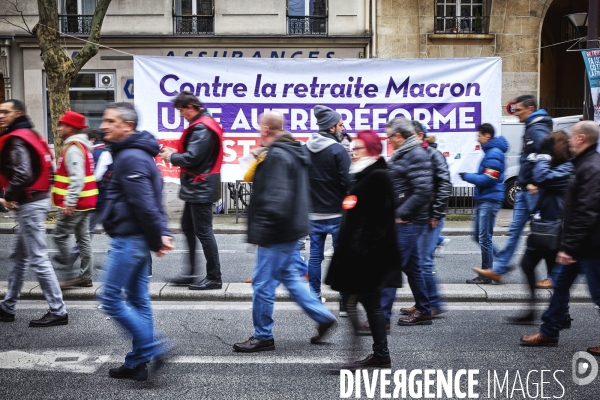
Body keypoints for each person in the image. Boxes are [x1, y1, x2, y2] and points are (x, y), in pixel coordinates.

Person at [233, 111, 336, 353]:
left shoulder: (277, 156)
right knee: (290, 278)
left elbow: (275, 199)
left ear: (266, 130)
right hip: (290, 229)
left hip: (276, 233)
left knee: (262, 285)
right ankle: (322, 316)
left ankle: (262, 335)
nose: (259, 132)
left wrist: (263, 236)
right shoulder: (292, 151)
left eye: (260, 128)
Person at [99, 102, 174, 381]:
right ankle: (137, 362)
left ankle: (154, 345)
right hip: (136, 237)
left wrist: (158, 238)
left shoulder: (130, 157)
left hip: (130, 239)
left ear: (127, 126)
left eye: (110, 121)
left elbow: (144, 204)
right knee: (138, 300)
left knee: (109, 299)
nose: (104, 125)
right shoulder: (134, 154)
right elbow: (155, 199)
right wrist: (160, 234)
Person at [520, 121, 600, 352]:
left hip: (589, 246)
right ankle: (548, 332)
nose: (570, 140)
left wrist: (570, 246)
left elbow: (587, 212)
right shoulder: (582, 164)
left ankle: (549, 331)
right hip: (576, 243)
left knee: (597, 294)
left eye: (574, 136)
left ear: (582, 138)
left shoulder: (591, 167)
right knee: (561, 286)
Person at [325, 130, 401, 369]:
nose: (352, 152)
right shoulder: (364, 175)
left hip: (367, 259)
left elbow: (377, 224)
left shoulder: (377, 177)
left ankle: (372, 355)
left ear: (370, 150)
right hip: (361, 256)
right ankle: (379, 354)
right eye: (352, 148)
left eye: (357, 149)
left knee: (357, 302)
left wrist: (359, 251)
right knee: (365, 303)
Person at [0, 99, 68, 327]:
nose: (1, 115)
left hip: (28, 203)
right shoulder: (32, 134)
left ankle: (58, 310)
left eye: (5, 112)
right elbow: (48, 171)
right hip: (34, 200)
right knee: (19, 258)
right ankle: (8, 307)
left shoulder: (17, 138)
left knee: (38, 258)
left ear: (17, 113)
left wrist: (7, 197)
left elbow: (22, 174)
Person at [506, 131, 572, 324]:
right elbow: (530, 176)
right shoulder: (554, 166)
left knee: (558, 276)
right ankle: (534, 312)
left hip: (555, 230)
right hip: (542, 227)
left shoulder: (567, 168)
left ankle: (562, 314)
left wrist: (542, 155)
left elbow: (541, 177)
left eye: (549, 147)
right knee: (527, 265)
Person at [159, 91, 223, 290]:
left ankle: (214, 277)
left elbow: (192, 157)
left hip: (200, 187)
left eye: (181, 110)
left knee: (204, 232)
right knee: (188, 227)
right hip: (197, 187)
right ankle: (191, 273)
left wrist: (172, 157)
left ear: (191, 107)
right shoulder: (203, 123)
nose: (181, 115)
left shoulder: (202, 127)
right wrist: (176, 154)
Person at [380, 118, 433, 327]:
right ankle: (424, 309)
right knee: (413, 268)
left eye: (389, 137)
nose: (388, 141)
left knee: (390, 267)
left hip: (408, 221)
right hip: (407, 219)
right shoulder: (406, 153)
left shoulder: (415, 155)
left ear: (398, 136)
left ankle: (381, 318)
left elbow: (422, 191)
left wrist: (400, 213)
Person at [493, 95, 552, 274]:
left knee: (544, 231)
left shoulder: (537, 128)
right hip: (525, 190)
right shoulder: (531, 127)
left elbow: (547, 152)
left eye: (519, 110)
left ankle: (555, 275)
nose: (515, 113)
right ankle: (500, 268)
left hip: (534, 191)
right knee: (515, 230)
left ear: (531, 109)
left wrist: (536, 181)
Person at [400, 121, 451, 317]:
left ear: (420, 135)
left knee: (424, 262)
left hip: (430, 216)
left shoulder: (433, 154)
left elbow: (445, 184)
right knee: (415, 262)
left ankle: (433, 304)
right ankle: (423, 302)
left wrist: (436, 213)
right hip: (418, 216)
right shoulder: (414, 154)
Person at [306, 105, 351, 311]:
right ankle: (343, 302)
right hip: (337, 214)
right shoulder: (338, 151)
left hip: (313, 213)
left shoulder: (305, 148)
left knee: (315, 257)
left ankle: (315, 298)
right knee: (342, 258)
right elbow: (347, 183)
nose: (343, 128)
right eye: (341, 125)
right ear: (332, 128)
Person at [51, 111, 98, 289]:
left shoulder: (73, 148)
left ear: (70, 128)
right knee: (83, 238)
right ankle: (85, 276)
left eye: (62, 125)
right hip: (84, 202)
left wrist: (69, 202)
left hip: (75, 204)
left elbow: (77, 177)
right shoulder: (83, 146)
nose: (59, 128)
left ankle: (70, 276)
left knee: (60, 236)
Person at [462, 123, 508, 283]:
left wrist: (467, 176)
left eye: (479, 135)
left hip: (490, 199)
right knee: (478, 235)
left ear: (487, 135)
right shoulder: (490, 152)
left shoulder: (494, 153)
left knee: (484, 237)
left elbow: (489, 178)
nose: (477, 138)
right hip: (485, 199)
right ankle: (502, 260)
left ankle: (486, 274)